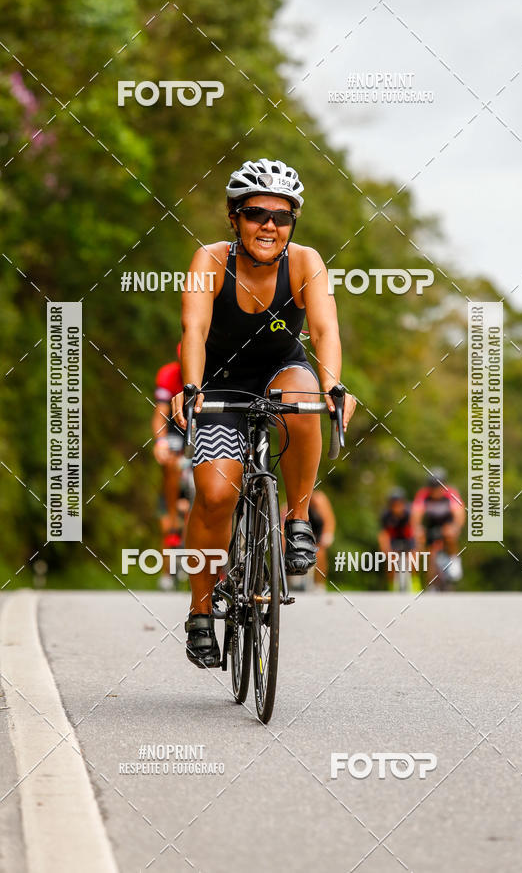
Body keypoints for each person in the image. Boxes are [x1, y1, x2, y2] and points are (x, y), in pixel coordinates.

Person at [172, 158, 356, 668]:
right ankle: (200, 613)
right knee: (212, 497)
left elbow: (324, 331)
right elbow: (195, 330)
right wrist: (190, 387)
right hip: (217, 383)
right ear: (235, 218)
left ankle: (297, 519)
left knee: (302, 400)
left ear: (293, 223)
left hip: (280, 371)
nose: (269, 226)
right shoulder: (209, 261)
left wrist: (334, 385)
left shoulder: (304, 262)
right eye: (256, 214)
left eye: (282, 216)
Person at [151, 347, 192, 590]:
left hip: (203, 427)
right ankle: (172, 515)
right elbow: (160, 414)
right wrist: (160, 442)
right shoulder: (169, 374)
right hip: (176, 432)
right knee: (170, 465)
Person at [411, 468, 465, 586]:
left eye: (438, 487)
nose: (435, 490)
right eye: (432, 487)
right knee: (423, 544)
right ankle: (431, 581)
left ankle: (454, 560)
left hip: (447, 522)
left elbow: (459, 513)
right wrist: (417, 529)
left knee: (449, 534)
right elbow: (416, 513)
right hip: (431, 524)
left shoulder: (451, 493)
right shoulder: (423, 494)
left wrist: (455, 527)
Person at [378, 488, 415, 588]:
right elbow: (383, 534)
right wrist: (386, 550)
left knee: (413, 559)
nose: (397, 508)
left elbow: (415, 529)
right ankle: (392, 586)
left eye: (399, 504)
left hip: (408, 538)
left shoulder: (410, 513)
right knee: (390, 561)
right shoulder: (385, 515)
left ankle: (415, 584)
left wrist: (415, 548)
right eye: (394, 505)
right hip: (393, 540)